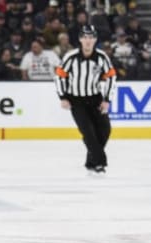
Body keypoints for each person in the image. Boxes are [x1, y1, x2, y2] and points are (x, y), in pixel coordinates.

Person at [54, 25, 117, 175]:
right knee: (88, 133)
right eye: (85, 37)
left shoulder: (102, 57)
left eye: (91, 37)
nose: (88, 41)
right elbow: (59, 76)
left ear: (95, 39)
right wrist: (63, 97)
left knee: (105, 130)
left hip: (95, 98)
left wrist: (107, 99)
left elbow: (111, 77)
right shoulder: (71, 56)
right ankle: (100, 163)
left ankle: (91, 162)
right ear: (80, 39)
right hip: (76, 100)